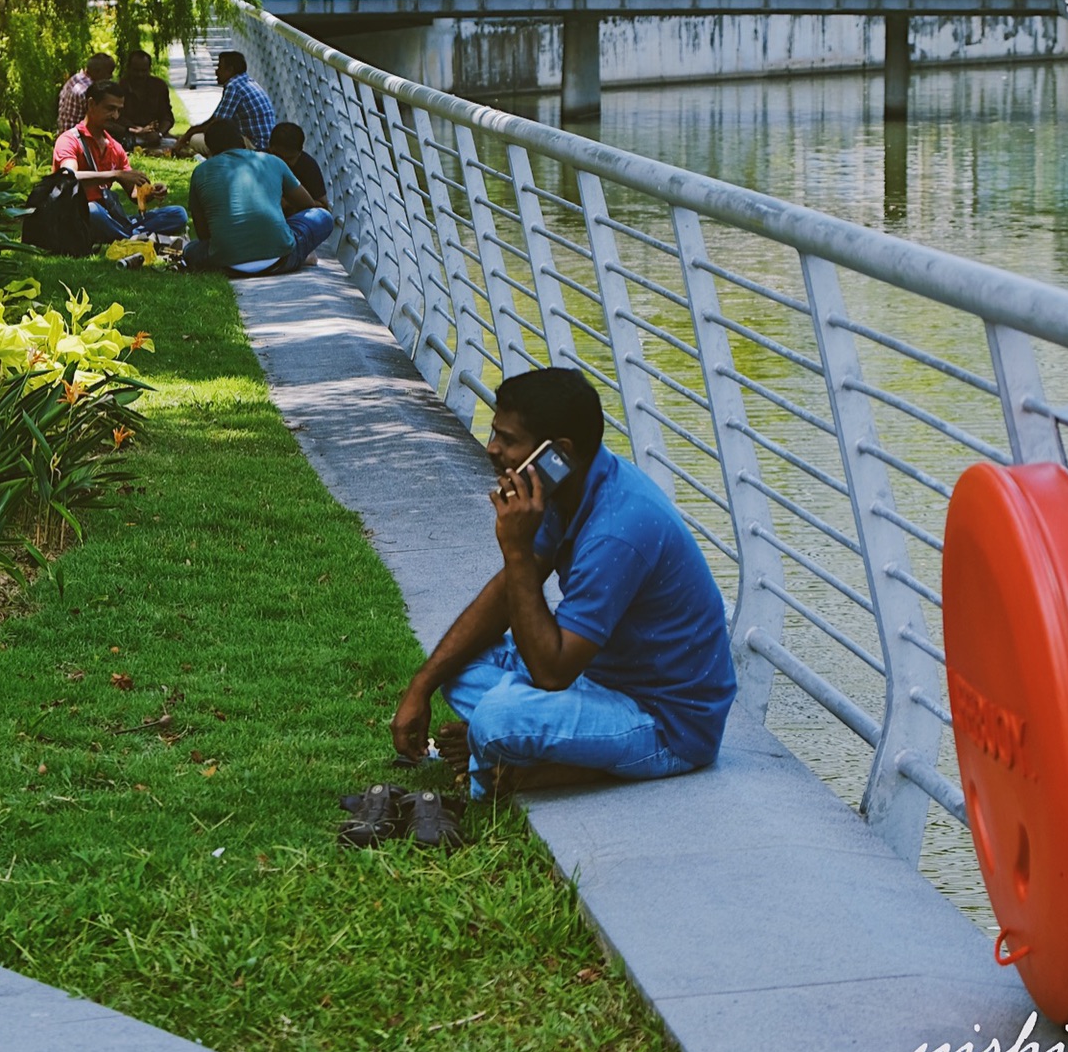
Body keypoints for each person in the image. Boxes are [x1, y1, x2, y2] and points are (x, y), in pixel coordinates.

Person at [391, 368, 736, 799]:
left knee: (498, 717)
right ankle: (530, 748)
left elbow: (552, 673)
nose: (492, 448)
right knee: (455, 666)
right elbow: (505, 596)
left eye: (508, 439)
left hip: (666, 722)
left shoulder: (617, 530)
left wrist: (515, 550)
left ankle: (552, 762)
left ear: (558, 453)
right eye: (494, 432)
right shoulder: (568, 488)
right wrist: (419, 689)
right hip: (599, 678)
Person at [181, 120, 333, 276]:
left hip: (227, 265)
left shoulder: (200, 172)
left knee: (190, 249)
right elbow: (309, 206)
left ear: (210, 149)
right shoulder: (272, 161)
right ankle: (299, 253)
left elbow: (204, 234)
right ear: (242, 141)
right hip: (281, 260)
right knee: (323, 217)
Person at [52, 80, 188, 244]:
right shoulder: (69, 140)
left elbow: (133, 193)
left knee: (178, 213)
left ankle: (125, 234)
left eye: (118, 110)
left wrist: (150, 192)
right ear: (91, 104)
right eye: (110, 108)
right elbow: (68, 177)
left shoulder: (114, 147)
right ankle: (131, 236)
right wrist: (115, 175)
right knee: (93, 210)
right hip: (76, 215)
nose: (116, 116)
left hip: (108, 217)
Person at [180, 51, 276, 152]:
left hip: (256, 146)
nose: (216, 72)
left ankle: (217, 162)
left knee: (196, 139)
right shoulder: (247, 82)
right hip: (265, 143)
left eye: (219, 67)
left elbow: (217, 124)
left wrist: (188, 135)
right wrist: (191, 131)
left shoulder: (234, 86)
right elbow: (216, 118)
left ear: (230, 70)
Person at [120, 48, 175, 150]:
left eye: (144, 71)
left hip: (154, 135)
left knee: (175, 144)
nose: (140, 75)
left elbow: (167, 117)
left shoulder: (159, 86)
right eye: (136, 71)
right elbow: (117, 117)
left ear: (149, 69)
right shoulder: (120, 87)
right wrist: (138, 130)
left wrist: (158, 134)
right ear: (128, 68)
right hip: (129, 134)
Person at [265, 122, 327, 209]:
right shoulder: (258, 159)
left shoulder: (308, 166)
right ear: (270, 148)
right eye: (278, 157)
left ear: (299, 153)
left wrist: (289, 204)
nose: (283, 163)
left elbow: (323, 205)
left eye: (289, 159)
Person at [56, 53, 115, 133]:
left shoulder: (76, 78)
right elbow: (99, 121)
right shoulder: (89, 91)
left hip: (63, 133)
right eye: (109, 72)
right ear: (97, 71)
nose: (111, 77)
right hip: (78, 138)